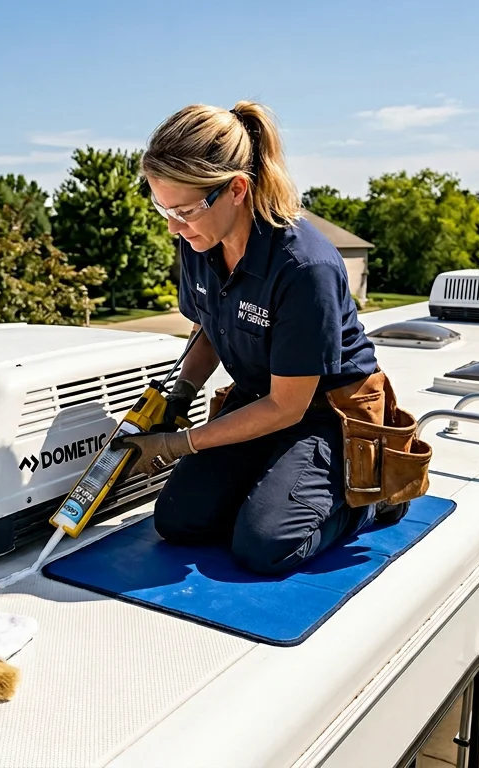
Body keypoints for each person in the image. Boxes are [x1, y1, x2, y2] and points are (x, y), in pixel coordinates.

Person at [113, 101, 384, 575]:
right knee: (178, 522)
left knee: (264, 545)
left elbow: (288, 407)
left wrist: (178, 446)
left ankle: (372, 497)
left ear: (236, 189)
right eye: (163, 208)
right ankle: (280, 483)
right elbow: (210, 330)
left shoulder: (304, 267)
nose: (173, 226)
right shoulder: (200, 240)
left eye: (184, 210)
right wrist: (176, 398)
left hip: (325, 413)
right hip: (260, 398)